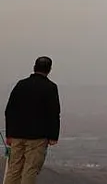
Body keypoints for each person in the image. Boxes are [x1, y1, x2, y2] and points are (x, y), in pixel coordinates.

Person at [3, 56, 61, 184]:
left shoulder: (21, 85)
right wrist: (53, 136)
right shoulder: (50, 87)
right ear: (49, 70)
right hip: (38, 138)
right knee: (30, 170)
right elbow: (54, 113)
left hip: (17, 135)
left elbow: (9, 110)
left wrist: (9, 134)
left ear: (34, 67)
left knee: (13, 169)